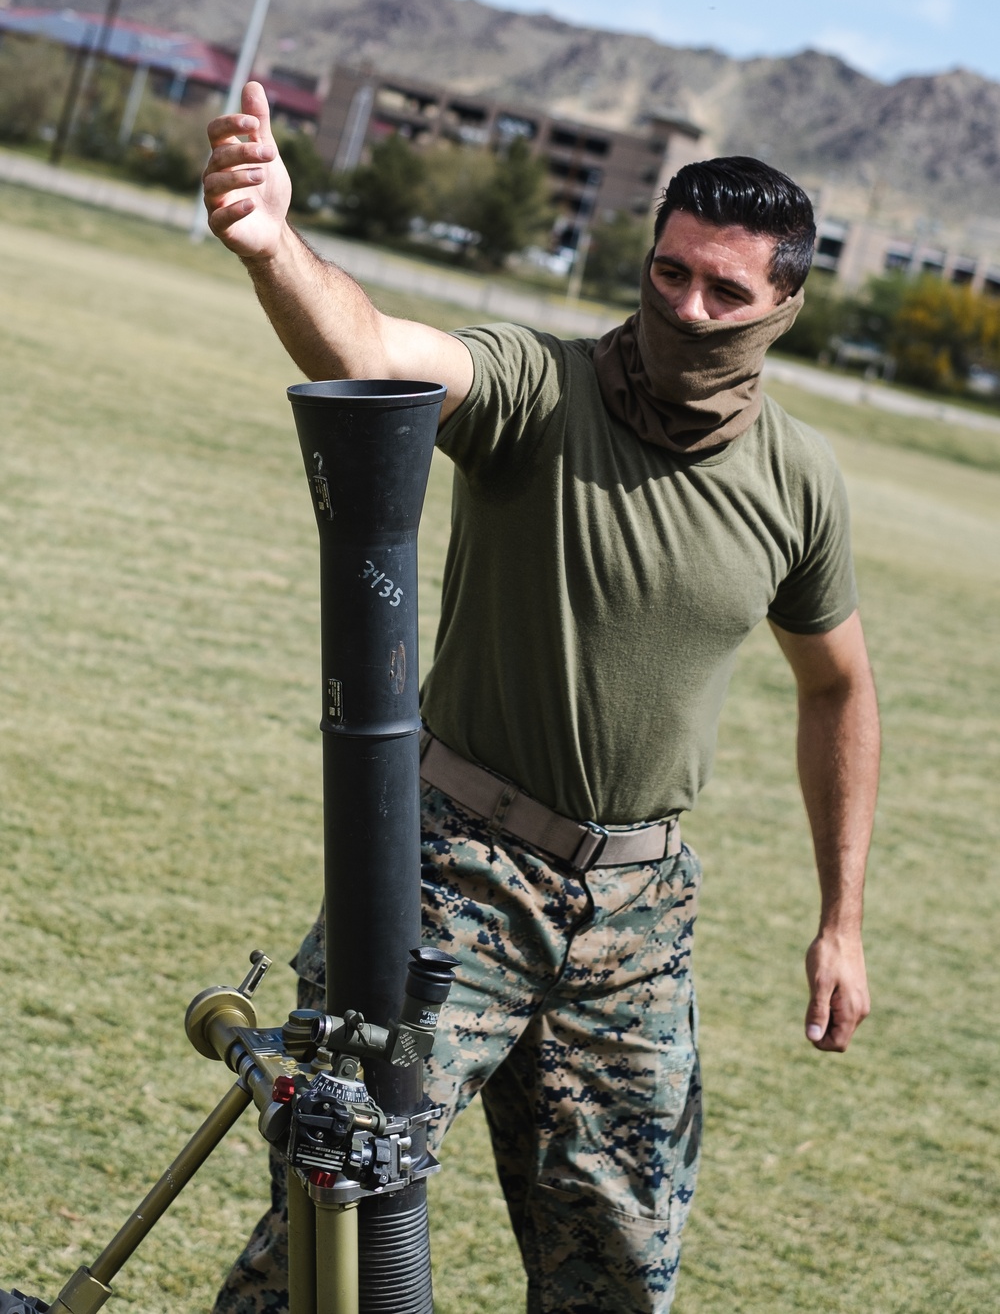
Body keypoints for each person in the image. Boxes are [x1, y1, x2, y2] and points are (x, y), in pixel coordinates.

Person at [201, 82, 878, 1314]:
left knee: (621, 1265)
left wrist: (842, 917)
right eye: (668, 273)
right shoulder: (541, 390)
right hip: (451, 879)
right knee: (335, 1229)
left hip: (636, 917)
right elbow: (372, 350)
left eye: (725, 292)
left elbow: (836, 687)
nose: (686, 308)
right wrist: (273, 248)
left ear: (784, 304)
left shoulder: (800, 482)